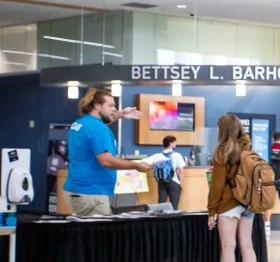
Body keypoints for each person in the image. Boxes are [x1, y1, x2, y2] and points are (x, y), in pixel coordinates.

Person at [64, 88, 149, 216]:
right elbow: (106, 161)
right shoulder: (98, 128)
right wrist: (136, 165)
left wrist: (121, 114)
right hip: (91, 192)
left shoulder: (81, 123)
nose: (114, 109)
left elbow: (99, 124)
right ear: (97, 106)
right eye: (110, 105)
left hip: (79, 189)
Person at [206, 113, 258, 262]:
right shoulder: (249, 149)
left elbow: (217, 185)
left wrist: (212, 210)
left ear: (223, 130)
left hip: (229, 203)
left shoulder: (222, 151)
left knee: (228, 245)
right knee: (247, 245)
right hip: (248, 203)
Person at [155, 135, 188, 209]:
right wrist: (180, 183)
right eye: (174, 142)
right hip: (173, 182)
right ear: (171, 143)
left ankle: (160, 217)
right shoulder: (176, 155)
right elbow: (181, 170)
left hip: (161, 182)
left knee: (161, 207)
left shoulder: (159, 155)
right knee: (174, 206)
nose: (175, 144)